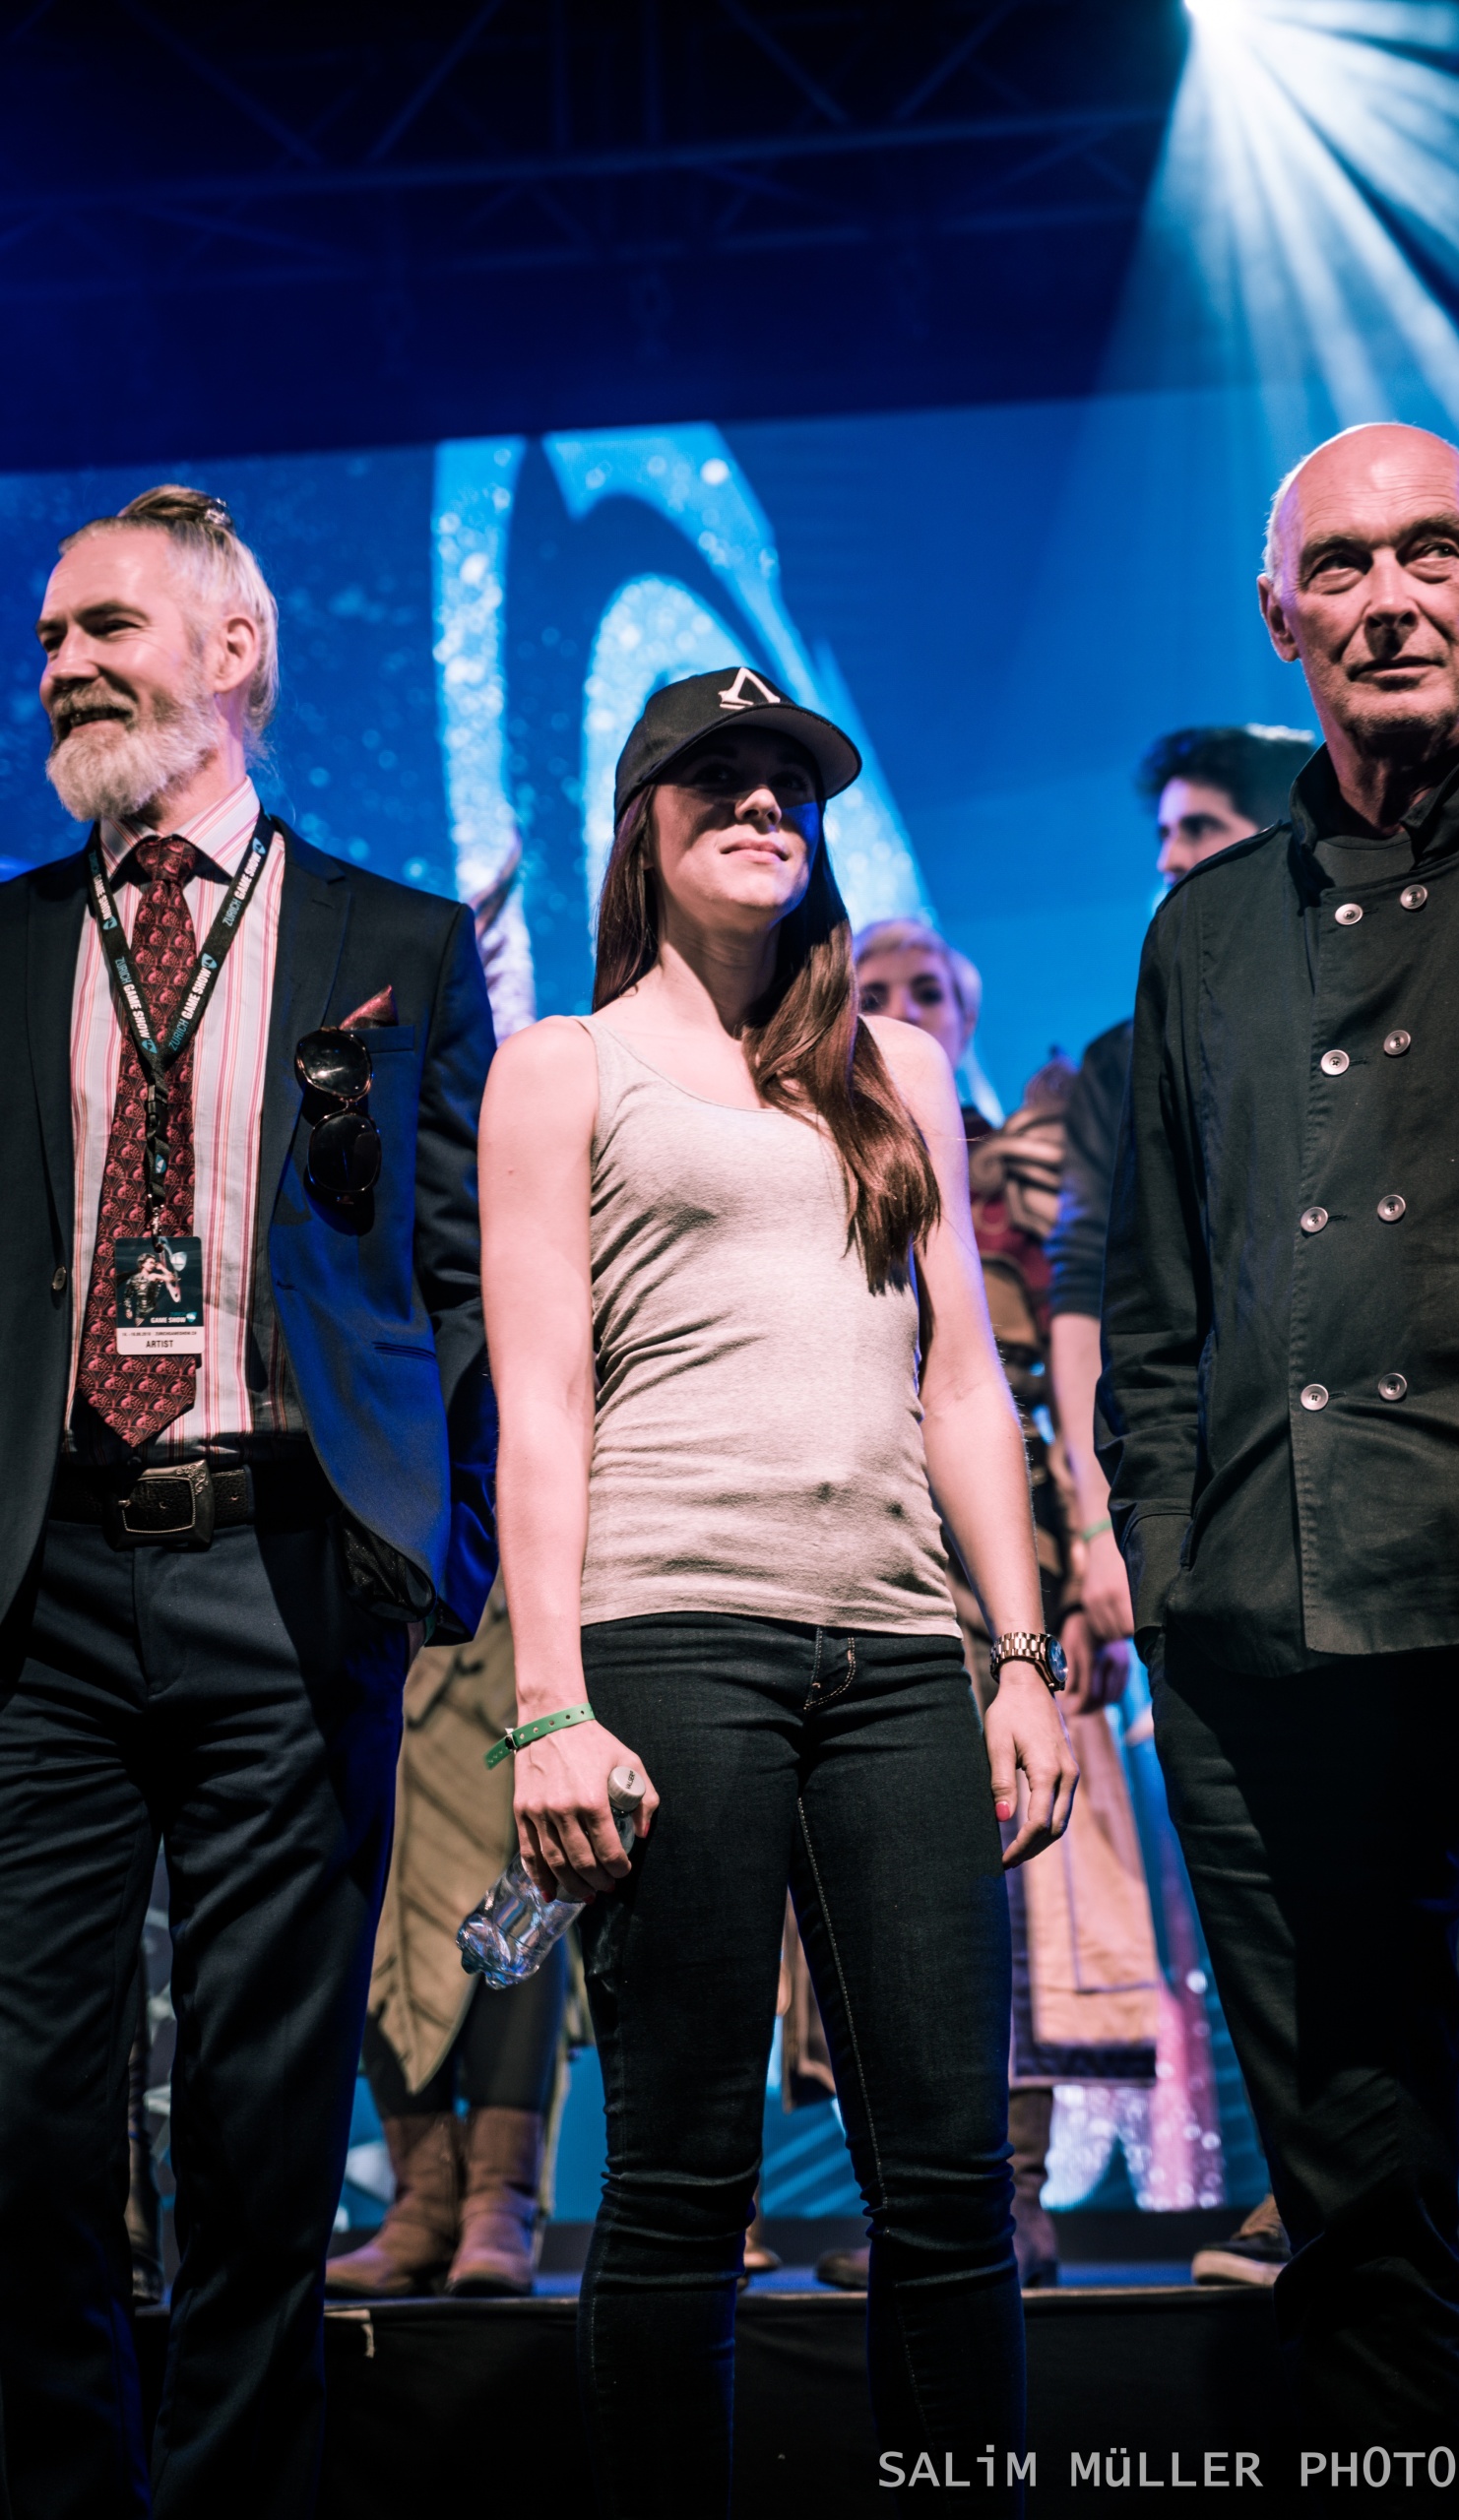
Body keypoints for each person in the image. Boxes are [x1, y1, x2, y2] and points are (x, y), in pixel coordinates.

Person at [1101, 420, 1459, 2477]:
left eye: (1427, 553)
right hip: (1278, 1644)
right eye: (1337, 568)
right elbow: (1154, 1303)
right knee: (1353, 2234)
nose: (1386, 600)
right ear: (1279, 619)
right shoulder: (1201, 935)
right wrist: (1171, 1573)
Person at [478, 667, 1078, 2517]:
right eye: (719, 778)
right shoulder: (561, 1066)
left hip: (897, 1654)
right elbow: (542, 1404)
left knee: (949, 2179)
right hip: (672, 1643)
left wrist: (1018, 1658)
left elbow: (961, 1384)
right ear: (642, 824)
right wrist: (549, 1704)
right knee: (679, 2178)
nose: (761, 807)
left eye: (788, 786)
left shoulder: (895, 1072)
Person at [0, 486, 496, 2520]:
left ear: (233, 651)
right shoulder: (12, 941)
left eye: (103, 626)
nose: (60, 666)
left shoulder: (393, 941)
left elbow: (458, 1277)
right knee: (25, 2106)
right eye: (46, 638)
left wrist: (426, 1536)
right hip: (45, 1585)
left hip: (287, 1569)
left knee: (263, 2110)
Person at [838, 919, 1160, 2292]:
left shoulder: (1032, 1166)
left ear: (964, 1010)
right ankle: (906, 2198)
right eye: (874, 989)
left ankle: (1009, 2197)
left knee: (1030, 1885)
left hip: (1015, 1566)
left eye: (926, 987)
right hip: (867, 1551)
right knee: (874, 1888)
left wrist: (1080, 1580)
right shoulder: (827, 1151)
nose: (903, 1005)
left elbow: (1070, 1376)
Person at [1047, 725, 1314, 2286]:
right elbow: (1093, 1293)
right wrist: (1106, 1529)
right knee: (1262, 1875)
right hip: (1213, 1533)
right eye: (1159, 834)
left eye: (1199, 829)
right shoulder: (1122, 1057)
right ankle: (1310, 2185)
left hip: (1402, 1510)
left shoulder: (1370, 1014)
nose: (1167, 859)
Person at [327, 1582, 567, 2300]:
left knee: (517, 1885)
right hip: (380, 1603)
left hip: (500, 1601)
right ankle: (424, 2206)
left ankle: (501, 2203)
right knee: (384, 1891)